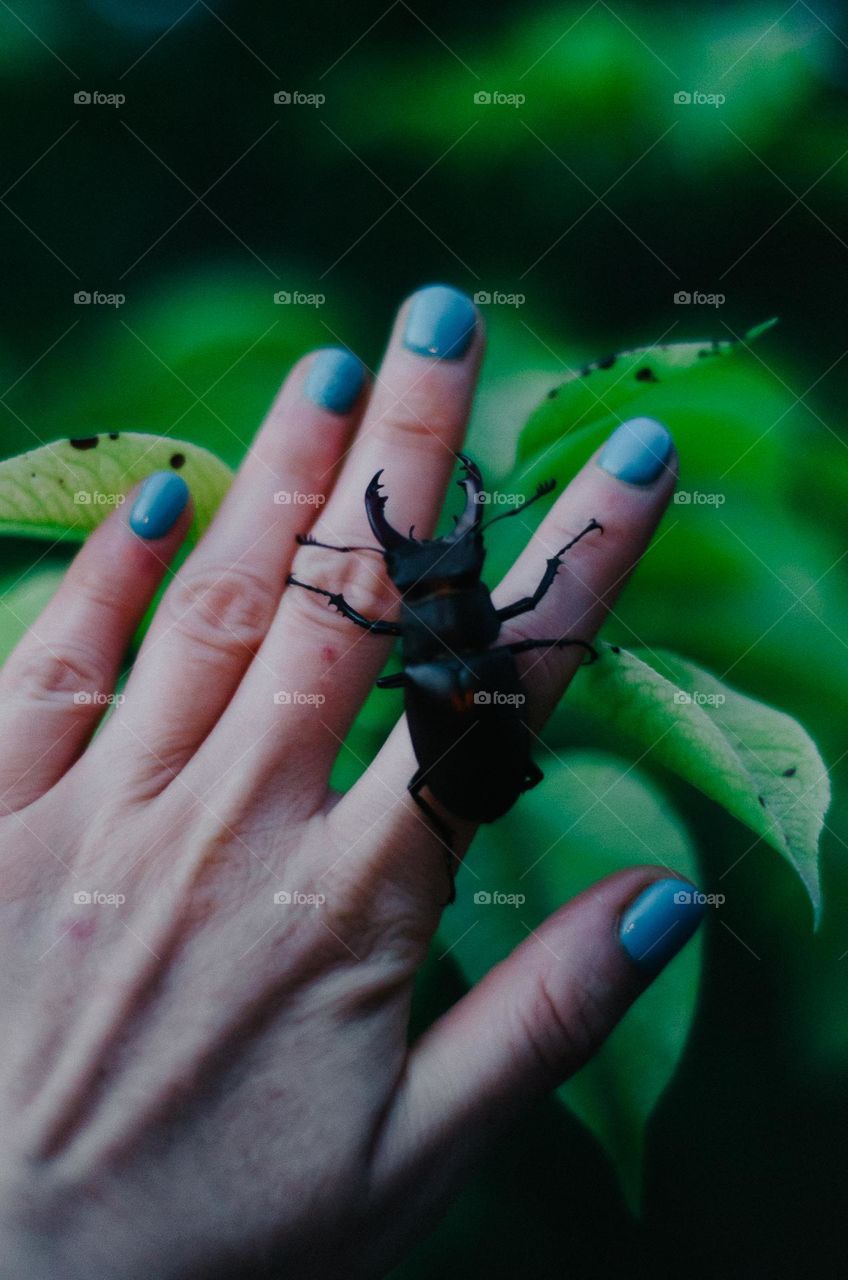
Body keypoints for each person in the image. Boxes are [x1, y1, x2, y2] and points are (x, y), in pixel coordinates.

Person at [0, 285, 703, 1277]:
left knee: (435, 773)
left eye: (442, 567)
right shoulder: (446, 630)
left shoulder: (405, 645)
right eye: (426, 574)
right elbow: (537, 602)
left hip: (459, 753)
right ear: (410, 611)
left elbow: (465, 606)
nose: (438, 566)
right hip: (474, 743)